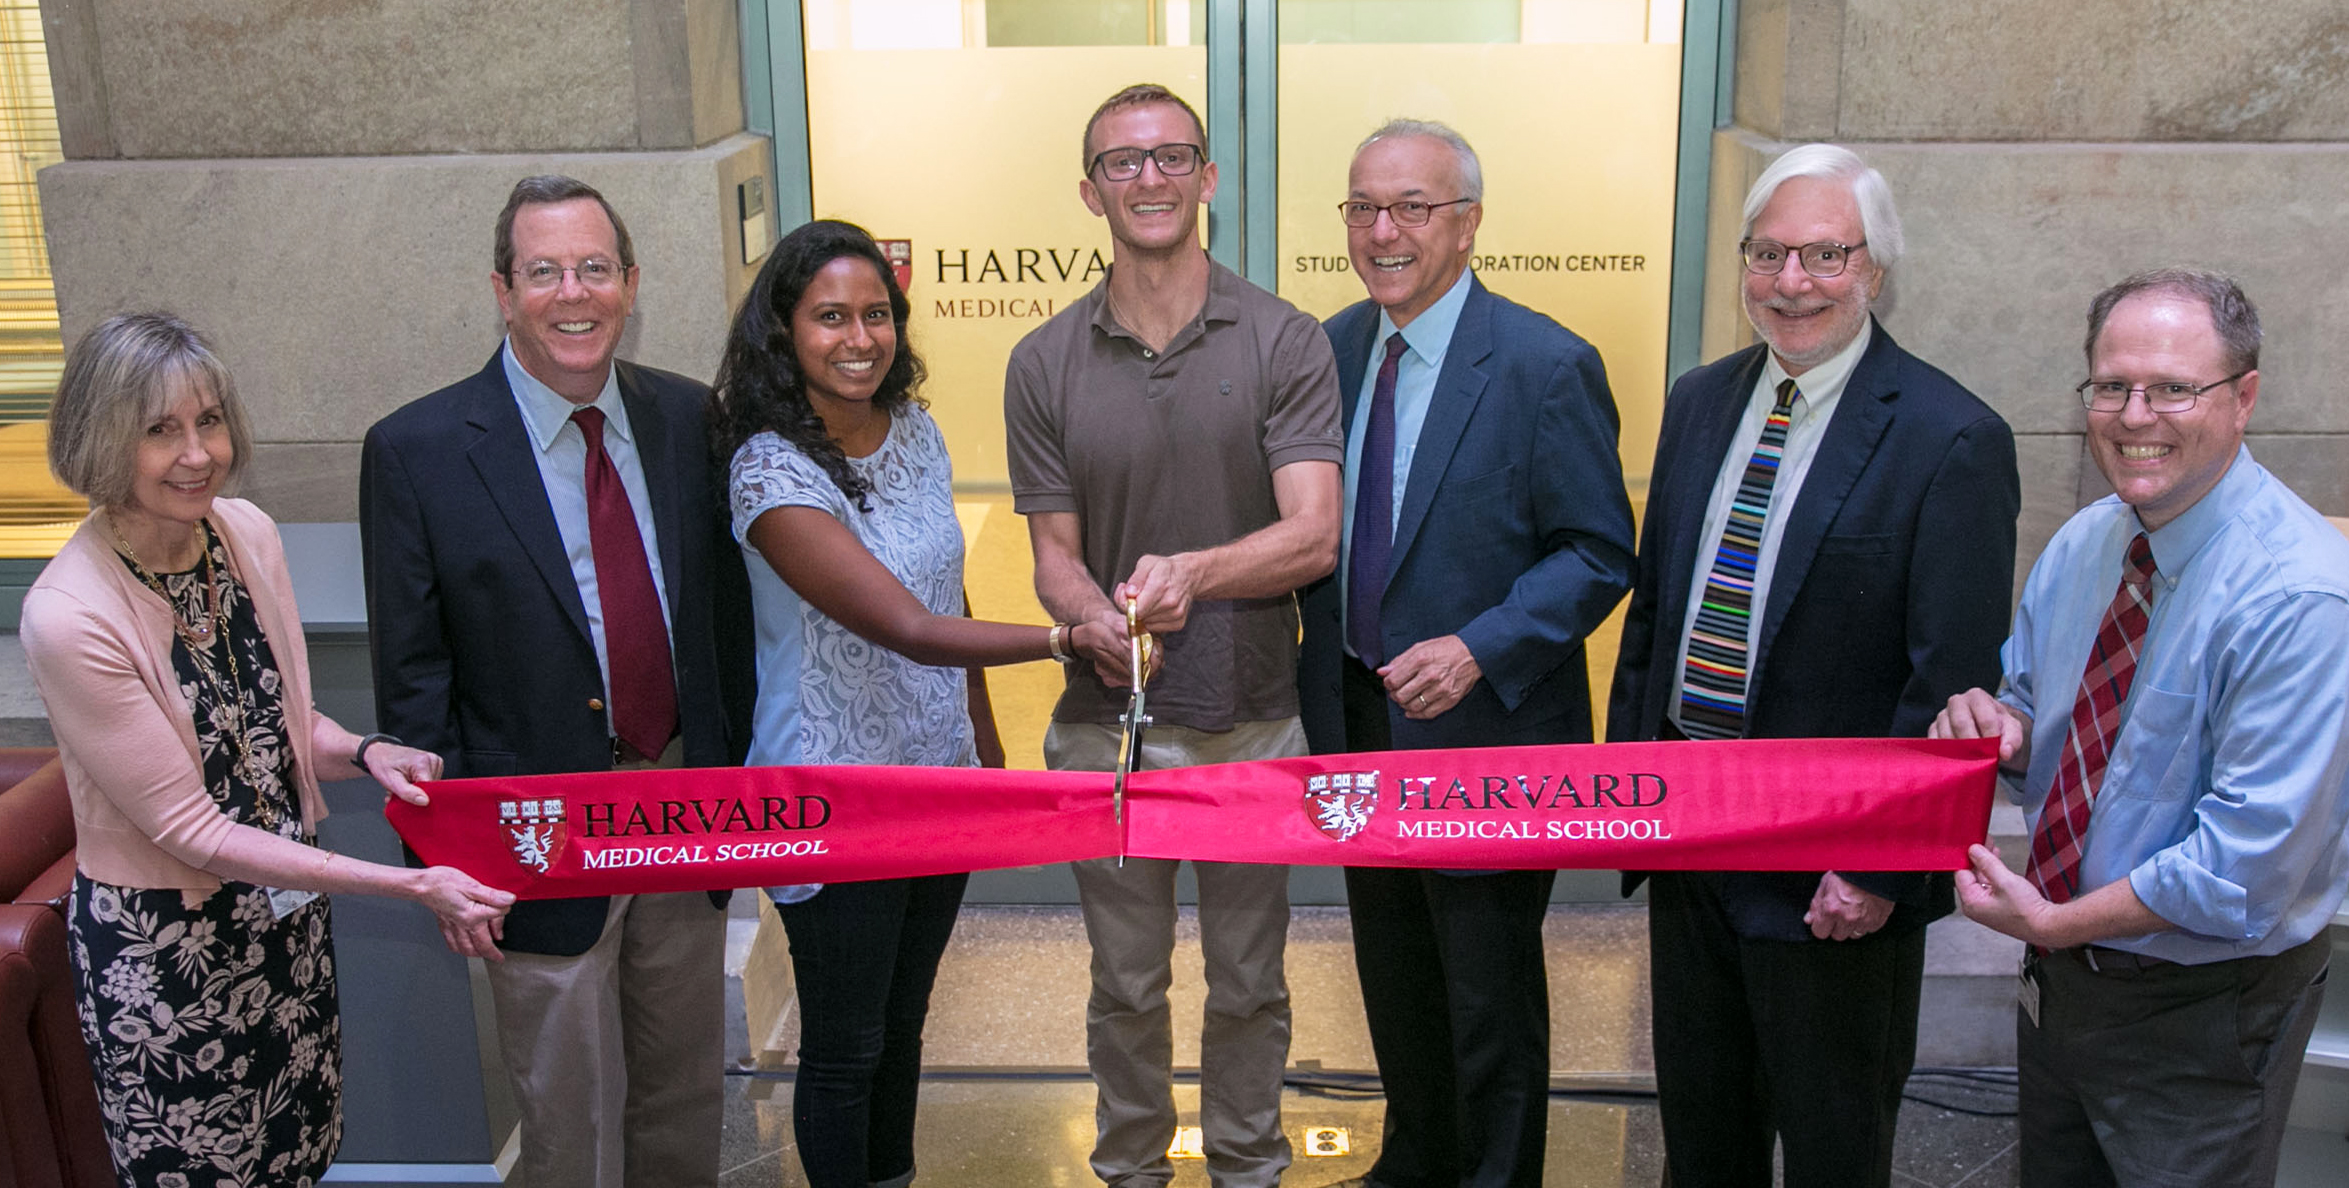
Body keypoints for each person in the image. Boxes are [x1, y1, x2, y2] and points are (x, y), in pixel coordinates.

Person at [1605, 144, 2020, 1187]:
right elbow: (1658, 617)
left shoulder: (1951, 437)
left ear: (1876, 269)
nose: (1793, 284)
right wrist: (1632, 797)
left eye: (1826, 255)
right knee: (1703, 1136)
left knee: (1834, 1146)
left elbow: (1951, 686)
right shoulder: (1701, 401)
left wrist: (1882, 867)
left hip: (1834, 871)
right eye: (1769, 255)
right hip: (1691, 833)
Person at [19, 311, 514, 1186]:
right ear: (101, 441)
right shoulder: (71, 613)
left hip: (280, 926)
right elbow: (192, 829)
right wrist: (409, 884)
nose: (197, 453)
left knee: (299, 1151)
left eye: (207, 420)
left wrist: (366, 753)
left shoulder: (243, 532)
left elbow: (275, 727)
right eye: (159, 431)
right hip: (167, 955)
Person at [711, 217, 1131, 1188]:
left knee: (905, 1026)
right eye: (829, 318)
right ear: (784, 333)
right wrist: (1065, 639)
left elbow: (949, 593)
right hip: (834, 795)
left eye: (876, 314)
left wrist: (984, 757)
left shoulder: (918, 431)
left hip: (937, 778)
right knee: (847, 1045)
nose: (859, 338)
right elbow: (900, 623)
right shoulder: (768, 471)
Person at [359, 175, 751, 1188]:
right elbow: (413, 683)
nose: (571, 294)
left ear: (628, 283)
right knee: (568, 1118)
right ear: (502, 289)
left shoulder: (685, 419)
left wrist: (731, 782)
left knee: (682, 1098)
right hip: (532, 836)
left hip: (678, 806)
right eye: (543, 272)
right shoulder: (417, 452)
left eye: (592, 269)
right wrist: (439, 855)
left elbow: (723, 621)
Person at [1931, 269, 2349, 1188]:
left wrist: (2051, 921)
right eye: (2111, 386)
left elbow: (2243, 869)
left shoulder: (2302, 596)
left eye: (2171, 387)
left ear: (2241, 399)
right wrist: (1997, 729)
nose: (2133, 414)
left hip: (2204, 1013)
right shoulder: (2085, 544)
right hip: (2063, 987)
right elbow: (2043, 716)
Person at [1004, 83, 1344, 1188]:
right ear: (1090, 190)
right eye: (1122, 161)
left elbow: (1313, 537)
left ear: (1207, 177)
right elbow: (1053, 552)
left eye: (1171, 157)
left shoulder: (1286, 338)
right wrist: (1090, 618)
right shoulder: (1043, 360)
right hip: (1107, 733)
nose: (1147, 178)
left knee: (1249, 980)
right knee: (1125, 986)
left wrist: (1196, 572)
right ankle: (1130, 1169)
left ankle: (1248, 1165)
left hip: (1252, 722)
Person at [1295, 119, 1635, 1188]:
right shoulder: (1332, 349)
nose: (1382, 231)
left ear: (1470, 222)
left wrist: (1482, 647)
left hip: (1486, 735)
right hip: (1359, 719)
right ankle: (1415, 1161)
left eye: (1411, 208)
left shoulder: (1544, 365)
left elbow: (1598, 552)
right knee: (1393, 976)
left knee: (1487, 995)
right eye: (1362, 207)